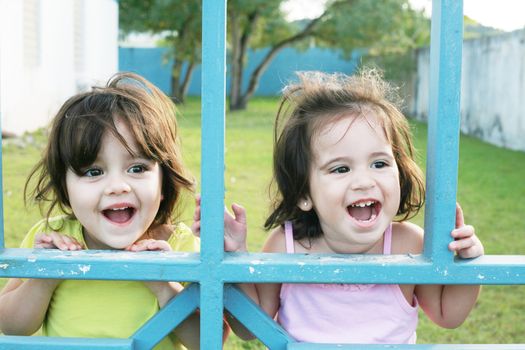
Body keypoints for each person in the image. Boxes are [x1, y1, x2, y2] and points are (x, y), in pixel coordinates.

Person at [193, 69, 485, 344]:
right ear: (304, 193)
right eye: (341, 169)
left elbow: (449, 314)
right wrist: (236, 258)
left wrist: (468, 263)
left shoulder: (406, 242)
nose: (363, 181)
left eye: (379, 163)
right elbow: (248, 328)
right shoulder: (287, 245)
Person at [0, 72, 203, 349]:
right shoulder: (52, 239)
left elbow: (208, 339)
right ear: (66, 189)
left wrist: (164, 284)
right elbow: (12, 326)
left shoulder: (180, 246)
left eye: (137, 168)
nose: (117, 186)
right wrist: (44, 278)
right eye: (94, 172)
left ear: (163, 181)